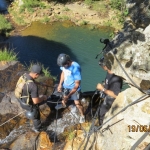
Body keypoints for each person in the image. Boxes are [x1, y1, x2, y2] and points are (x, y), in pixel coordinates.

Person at [18, 64, 47, 132]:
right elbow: (36, 101)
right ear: (36, 74)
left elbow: (30, 80)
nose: (39, 76)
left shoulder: (24, 75)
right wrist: (43, 97)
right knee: (36, 115)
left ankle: (30, 119)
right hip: (27, 105)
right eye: (39, 74)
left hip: (21, 100)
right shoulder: (33, 86)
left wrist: (40, 83)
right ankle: (38, 129)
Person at [57, 53, 85, 123]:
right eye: (62, 66)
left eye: (64, 65)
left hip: (74, 88)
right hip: (66, 86)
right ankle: (64, 105)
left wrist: (69, 96)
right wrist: (60, 84)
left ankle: (82, 116)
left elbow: (77, 85)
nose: (63, 66)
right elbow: (63, 73)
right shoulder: (64, 65)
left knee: (77, 104)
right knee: (64, 98)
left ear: (68, 62)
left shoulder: (76, 68)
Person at [96, 57, 123, 125]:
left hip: (111, 100)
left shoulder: (116, 78)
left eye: (101, 66)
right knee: (99, 109)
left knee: (101, 113)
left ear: (105, 66)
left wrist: (102, 89)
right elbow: (108, 82)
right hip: (107, 94)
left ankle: (102, 127)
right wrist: (104, 85)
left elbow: (116, 95)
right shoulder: (109, 72)